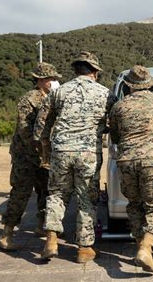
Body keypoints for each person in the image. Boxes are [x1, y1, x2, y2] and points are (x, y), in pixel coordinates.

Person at [34, 51, 117, 263]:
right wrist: (102, 129)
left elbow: (42, 125)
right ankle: (84, 248)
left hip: (61, 151)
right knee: (86, 199)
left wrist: (46, 149)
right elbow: (117, 121)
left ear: (75, 70)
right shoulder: (106, 94)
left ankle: (51, 240)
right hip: (88, 153)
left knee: (57, 195)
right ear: (95, 72)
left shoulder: (59, 92)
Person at [109, 65, 153, 273]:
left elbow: (115, 136)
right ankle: (146, 246)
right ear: (149, 83)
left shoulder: (119, 107)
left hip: (126, 161)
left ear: (129, 85)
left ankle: (140, 248)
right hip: (152, 160)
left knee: (135, 205)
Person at [0, 62, 62, 251]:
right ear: (40, 80)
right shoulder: (29, 100)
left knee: (47, 192)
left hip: (45, 156)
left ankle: (42, 226)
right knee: (21, 193)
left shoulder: (54, 98)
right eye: (51, 79)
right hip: (26, 155)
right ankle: (6, 234)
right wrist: (38, 148)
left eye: (55, 79)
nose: (54, 82)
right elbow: (25, 129)